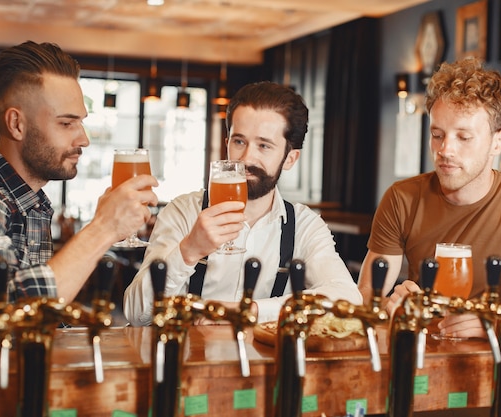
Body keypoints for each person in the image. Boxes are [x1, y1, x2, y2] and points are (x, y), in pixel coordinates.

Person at [0, 41, 158, 334]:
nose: (84, 139)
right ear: (16, 124)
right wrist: (103, 228)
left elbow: (46, 315)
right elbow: (9, 320)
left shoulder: (31, 202)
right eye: (66, 123)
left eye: (81, 123)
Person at [123, 81, 362, 326]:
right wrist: (189, 250)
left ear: (290, 158)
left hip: (265, 362)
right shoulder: (183, 212)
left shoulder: (304, 225)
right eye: (239, 142)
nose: (247, 158)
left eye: (264, 146)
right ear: (227, 142)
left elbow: (348, 299)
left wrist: (250, 310)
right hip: (186, 359)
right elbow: (136, 315)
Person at [357, 57, 501, 338]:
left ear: (498, 141)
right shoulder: (402, 198)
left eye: (464, 137)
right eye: (437, 134)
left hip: (499, 361)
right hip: (423, 355)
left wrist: (497, 322)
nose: (445, 150)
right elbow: (365, 295)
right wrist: (388, 307)